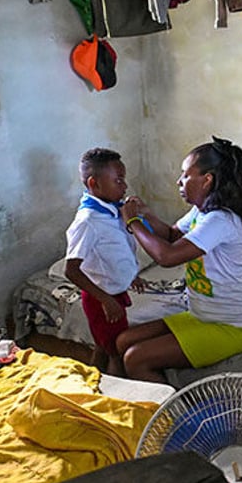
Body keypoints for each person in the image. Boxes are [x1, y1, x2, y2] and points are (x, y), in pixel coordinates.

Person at [116, 136, 242, 383]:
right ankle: (137, 404)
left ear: (207, 180)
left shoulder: (220, 220)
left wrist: (132, 222)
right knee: (123, 341)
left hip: (234, 325)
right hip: (202, 315)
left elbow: (167, 256)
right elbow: (173, 235)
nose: (179, 181)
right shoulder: (202, 210)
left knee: (135, 358)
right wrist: (146, 214)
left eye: (186, 175)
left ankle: (175, 419)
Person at [64, 147, 145, 376]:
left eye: (124, 179)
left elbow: (117, 251)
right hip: (101, 298)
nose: (125, 186)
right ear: (94, 184)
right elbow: (71, 270)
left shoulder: (112, 211)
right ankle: (114, 397)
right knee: (116, 352)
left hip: (112, 292)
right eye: (118, 180)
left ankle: (90, 381)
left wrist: (132, 275)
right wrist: (106, 301)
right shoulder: (88, 221)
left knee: (104, 344)